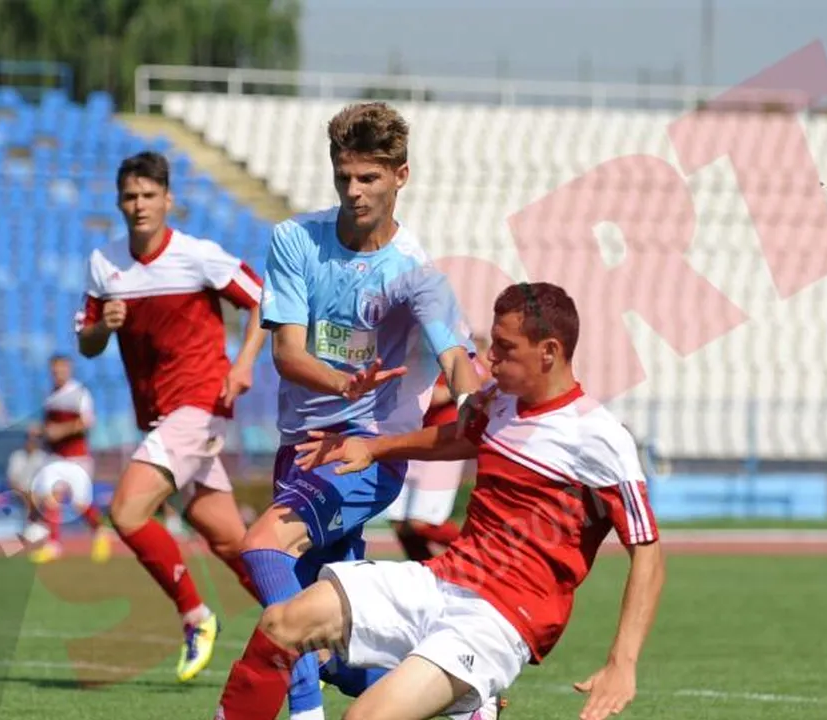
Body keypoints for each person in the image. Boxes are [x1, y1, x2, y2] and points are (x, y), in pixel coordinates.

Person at [227, 282, 666, 720]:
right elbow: (459, 437)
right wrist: (374, 448)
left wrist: (621, 665)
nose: (489, 358)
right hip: (442, 580)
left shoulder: (601, 437)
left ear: (548, 351)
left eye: (505, 348)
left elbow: (648, 553)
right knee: (283, 624)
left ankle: (474, 702)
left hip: (499, 620)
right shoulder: (499, 400)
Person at [215, 101, 483, 720]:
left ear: (401, 176)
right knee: (332, 639)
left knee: (263, 550)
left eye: (369, 178)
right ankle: (463, 699)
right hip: (301, 443)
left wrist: (474, 408)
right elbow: (285, 353)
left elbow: (454, 356)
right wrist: (341, 381)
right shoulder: (294, 241)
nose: (354, 191)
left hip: (365, 448)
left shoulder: (416, 273)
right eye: (344, 177)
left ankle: (304, 713)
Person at [74, 150, 267, 683]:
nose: (140, 205)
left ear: (168, 200)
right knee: (230, 540)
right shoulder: (104, 264)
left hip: (201, 405)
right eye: (130, 197)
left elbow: (261, 299)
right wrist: (102, 327)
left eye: (149, 195)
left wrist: (245, 362)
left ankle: (196, 617)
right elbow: (86, 345)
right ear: (119, 202)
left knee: (128, 511)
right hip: (159, 417)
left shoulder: (197, 256)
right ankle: (317, 637)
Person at [386, 336, 491, 562]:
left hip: (443, 448)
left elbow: (443, 395)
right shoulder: (436, 361)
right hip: (418, 443)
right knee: (397, 521)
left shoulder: (472, 366)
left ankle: (479, 549)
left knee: (420, 522)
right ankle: (425, 569)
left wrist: (425, 392)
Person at [28, 354, 112, 564]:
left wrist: (60, 431)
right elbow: (50, 427)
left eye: (62, 370)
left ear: (69, 370)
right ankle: (53, 544)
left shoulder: (79, 394)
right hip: (55, 456)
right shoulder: (50, 396)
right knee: (51, 498)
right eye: (55, 370)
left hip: (77, 456)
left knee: (80, 503)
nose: (58, 374)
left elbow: (86, 422)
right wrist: (42, 431)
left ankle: (100, 530)